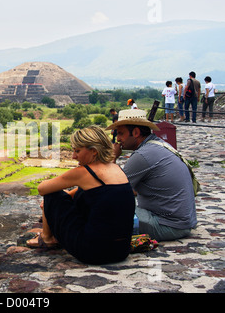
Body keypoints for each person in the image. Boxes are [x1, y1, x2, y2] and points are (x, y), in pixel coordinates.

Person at [26, 126, 136, 265]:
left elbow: (42, 189)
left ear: (94, 151)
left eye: (77, 151)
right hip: (121, 251)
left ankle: (47, 238)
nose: (73, 156)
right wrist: (68, 194)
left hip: (92, 252)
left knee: (52, 194)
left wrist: (57, 199)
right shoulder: (115, 168)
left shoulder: (84, 172)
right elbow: (95, 193)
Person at [106, 109, 197, 241]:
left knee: (103, 208)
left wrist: (113, 158)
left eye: (121, 133)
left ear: (136, 132)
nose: (118, 138)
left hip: (167, 225)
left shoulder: (143, 155)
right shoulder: (159, 145)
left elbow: (113, 189)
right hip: (181, 223)